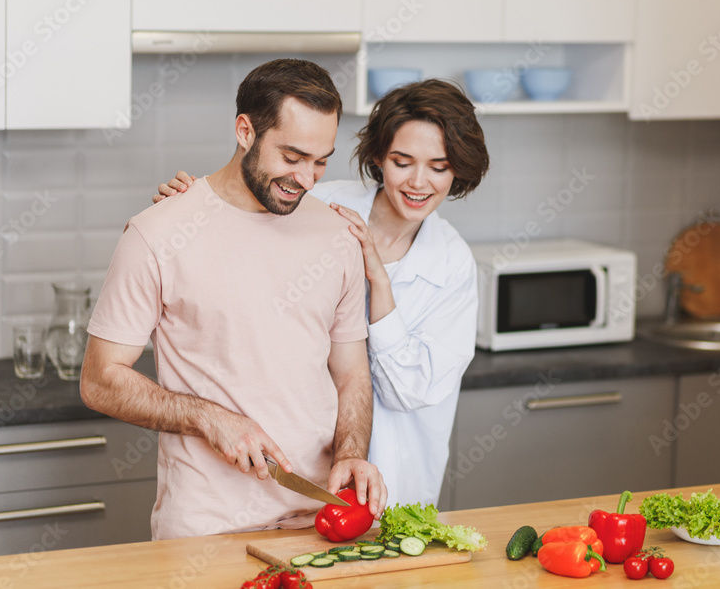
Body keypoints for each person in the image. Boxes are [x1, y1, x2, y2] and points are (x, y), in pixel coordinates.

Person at [81, 58, 386, 541]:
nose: (307, 179)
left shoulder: (338, 236)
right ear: (245, 130)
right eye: (291, 157)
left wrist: (351, 453)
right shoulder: (157, 232)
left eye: (321, 161)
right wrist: (208, 417)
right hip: (206, 531)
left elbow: (351, 373)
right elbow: (100, 381)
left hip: (321, 522)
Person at [155, 78, 490, 507]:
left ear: (457, 169)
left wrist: (378, 284)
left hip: (392, 478)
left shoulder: (452, 264)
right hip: (290, 473)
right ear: (378, 157)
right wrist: (191, 205)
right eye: (402, 162)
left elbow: (409, 391)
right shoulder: (318, 204)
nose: (419, 182)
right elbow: (238, 219)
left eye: (439, 167)